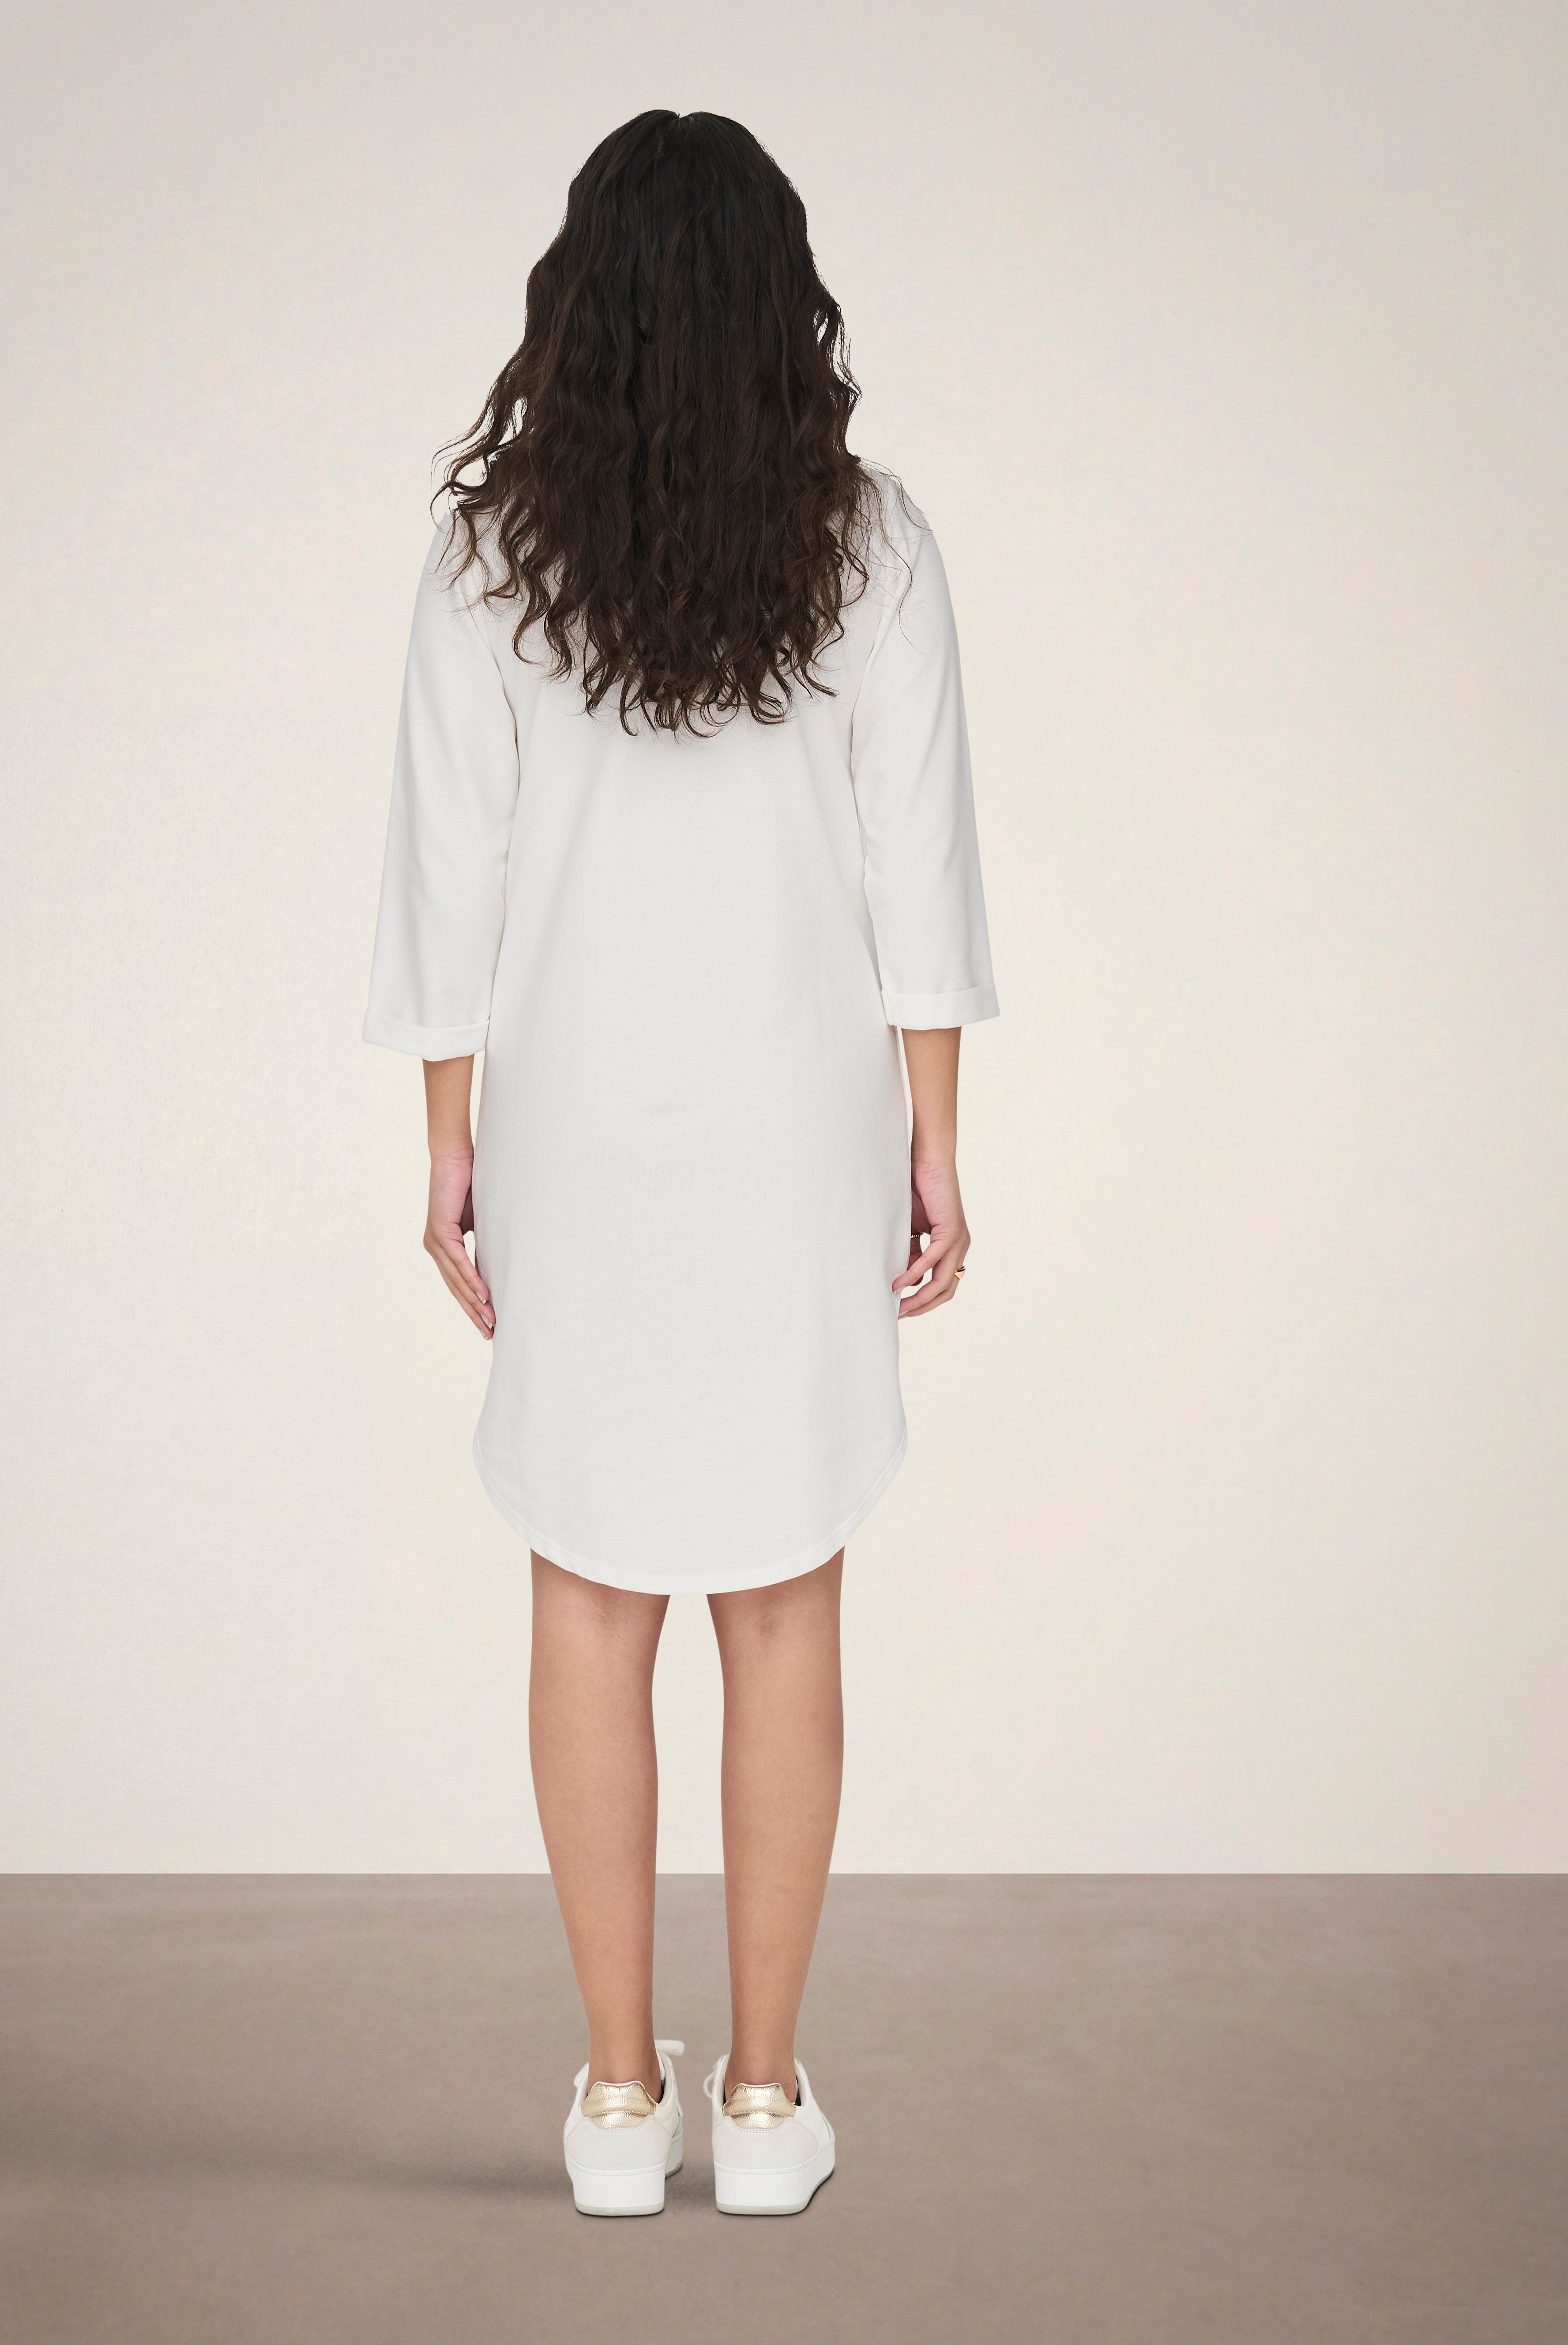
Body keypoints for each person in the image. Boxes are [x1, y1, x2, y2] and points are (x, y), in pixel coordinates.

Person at [363, 109, 998, 2217]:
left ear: (583, 303)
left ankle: (620, 2100)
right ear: (780, 305)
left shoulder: (491, 555)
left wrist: (446, 1141)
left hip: (578, 1123)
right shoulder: (870, 542)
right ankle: (770, 2096)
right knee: (787, 1596)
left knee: (589, 1586)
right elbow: (919, 866)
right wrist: (937, 1136)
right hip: (802, 1119)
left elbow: (447, 872)